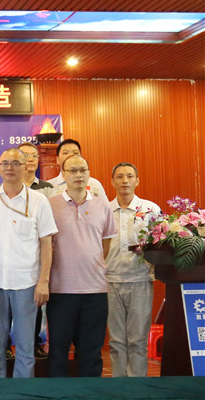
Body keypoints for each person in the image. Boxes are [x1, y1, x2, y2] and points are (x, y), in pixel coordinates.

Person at [0, 148, 57, 378]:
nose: (10, 168)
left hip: (27, 284)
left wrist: (43, 281)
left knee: (25, 348)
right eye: (5, 163)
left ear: (25, 167)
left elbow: (47, 244)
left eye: (15, 163)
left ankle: (22, 391)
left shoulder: (39, 201)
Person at [47, 155, 116, 377]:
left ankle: (89, 391)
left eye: (83, 170)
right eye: (73, 170)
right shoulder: (50, 204)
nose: (79, 175)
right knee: (58, 351)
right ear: (63, 174)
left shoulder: (102, 205)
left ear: (89, 173)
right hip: (61, 290)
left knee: (91, 352)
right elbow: (45, 245)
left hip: (95, 289)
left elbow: (105, 243)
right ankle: (59, 391)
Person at [107, 162, 160, 377]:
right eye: (120, 177)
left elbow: (161, 242)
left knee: (138, 340)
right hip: (110, 281)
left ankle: (138, 386)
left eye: (130, 176)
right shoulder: (104, 210)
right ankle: (119, 386)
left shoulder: (150, 209)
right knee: (116, 341)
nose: (125, 181)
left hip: (140, 280)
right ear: (112, 181)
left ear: (137, 180)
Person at [18, 141, 53, 358]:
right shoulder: (7, 188)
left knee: (36, 301)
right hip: (15, 255)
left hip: (38, 253)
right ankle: (7, 345)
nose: (30, 159)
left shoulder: (47, 189)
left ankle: (34, 343)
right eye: (25, 155)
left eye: (33, 155)